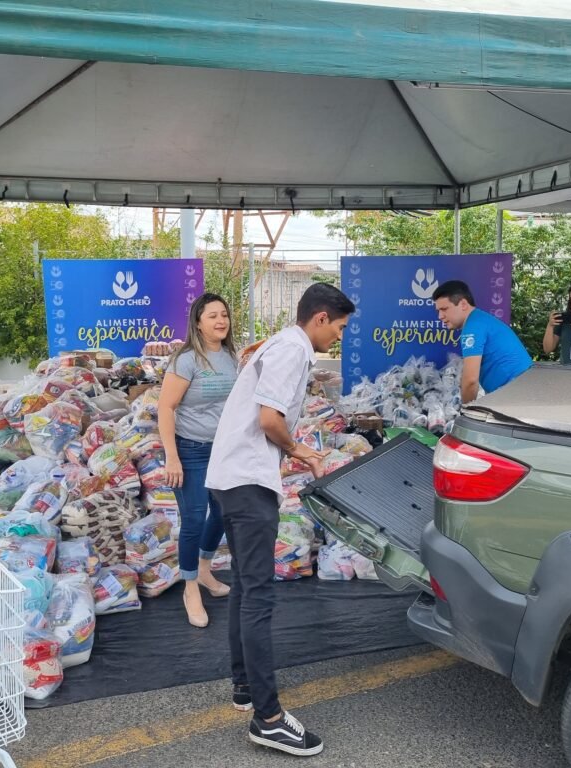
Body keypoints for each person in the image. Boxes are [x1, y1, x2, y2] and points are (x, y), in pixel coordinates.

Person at [205, 282, 354, 757]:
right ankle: (268, 719)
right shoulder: (292, 349)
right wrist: (300, 451)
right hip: (247, 483)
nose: (338, 337)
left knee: (245, 588)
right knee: (258, 596)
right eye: (339, 327)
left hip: (230, 478)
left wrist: (288, 454)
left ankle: (245, 686)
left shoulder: (280, 344)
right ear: (320, 318)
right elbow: (269, 420)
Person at [158, 292, 239, 628]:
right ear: (198, 322)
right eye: (212, 316)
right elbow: (166, 408)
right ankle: (190, 587)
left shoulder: (231, 356)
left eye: (224, 315)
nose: (221, 321)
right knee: (193, 518)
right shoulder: (187, 360)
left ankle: (204, 569)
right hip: (190, 450)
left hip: (223, 450)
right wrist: (172, 457)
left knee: (222, 512)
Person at [433, 279, 531, 402]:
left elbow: (470, 381)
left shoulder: (473, 326)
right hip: (521, 390)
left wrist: (467, 409)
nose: (440, 316)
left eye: (444, 309)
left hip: (517, 395)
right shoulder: (479, 320)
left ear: (463, 304)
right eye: (438, 311)